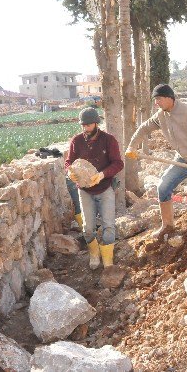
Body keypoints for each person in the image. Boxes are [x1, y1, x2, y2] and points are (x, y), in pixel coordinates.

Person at [125, 84, 187, 239]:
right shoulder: (161, 115)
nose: (156, 103)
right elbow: (144, 128)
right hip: (181, 160)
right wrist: (132, 146)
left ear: (169, 98)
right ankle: (167, 226)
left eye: (158, 99)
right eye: (155, 100)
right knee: (163, 188)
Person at [65, 107, 124, 269]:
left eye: (88, 125)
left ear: (96, 123)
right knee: (88, 228)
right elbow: (68, 162)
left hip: (105, 188)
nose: (85, 128)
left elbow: (118, 163)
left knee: (109, 226)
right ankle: (94, 254)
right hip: (84, 190)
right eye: (83, 125)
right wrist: (70, 172)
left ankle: (108, 261)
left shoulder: (108, 140)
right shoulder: (77, 141)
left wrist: (102, 174)